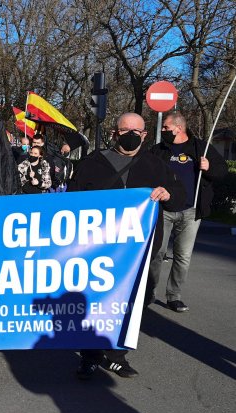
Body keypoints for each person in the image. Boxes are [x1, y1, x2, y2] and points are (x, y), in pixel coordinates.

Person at [67, 112, 185, 379]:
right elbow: (71, 203)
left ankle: (116, 355)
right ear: (114, 133)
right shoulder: (92, 164)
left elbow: (179, 197)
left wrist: (168, 193)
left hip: (141, 254)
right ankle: (91, 355)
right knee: (96, 302)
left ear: (145, 135)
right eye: (125, 130)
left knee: (134, 302)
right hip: (98, 250)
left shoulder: (156, 166)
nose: (132, 135)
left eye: (138, 132)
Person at [148, 112, 228, 312]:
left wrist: (209, 167)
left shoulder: (201, 148)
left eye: (165, 127)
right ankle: (149, 292)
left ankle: (174, 296)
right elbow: (145, 172)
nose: (162, 131)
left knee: (183, 256)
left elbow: (222, 171)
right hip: (163, 210)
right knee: (156, 253)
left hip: (191, 211)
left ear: (178, 128)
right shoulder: (158, 150)